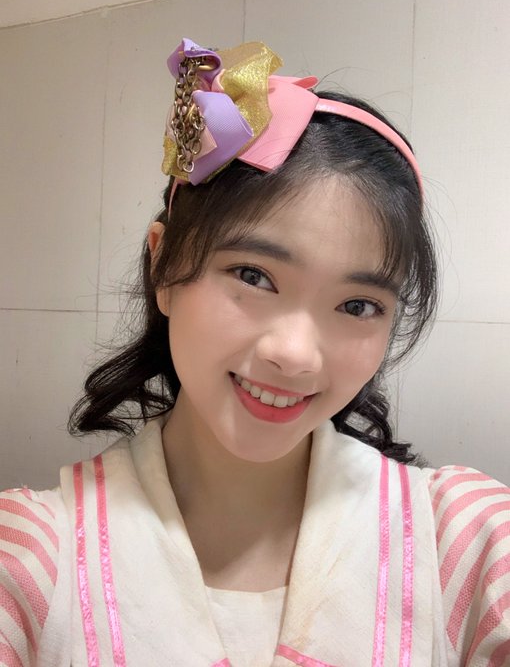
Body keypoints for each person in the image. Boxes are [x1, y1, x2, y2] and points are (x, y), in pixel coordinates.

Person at [0, 38, 508, 667]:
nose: (295, 356)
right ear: (163, 265)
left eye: (357, 306)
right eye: (253, 276)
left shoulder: (466, 547)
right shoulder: (31, 564)